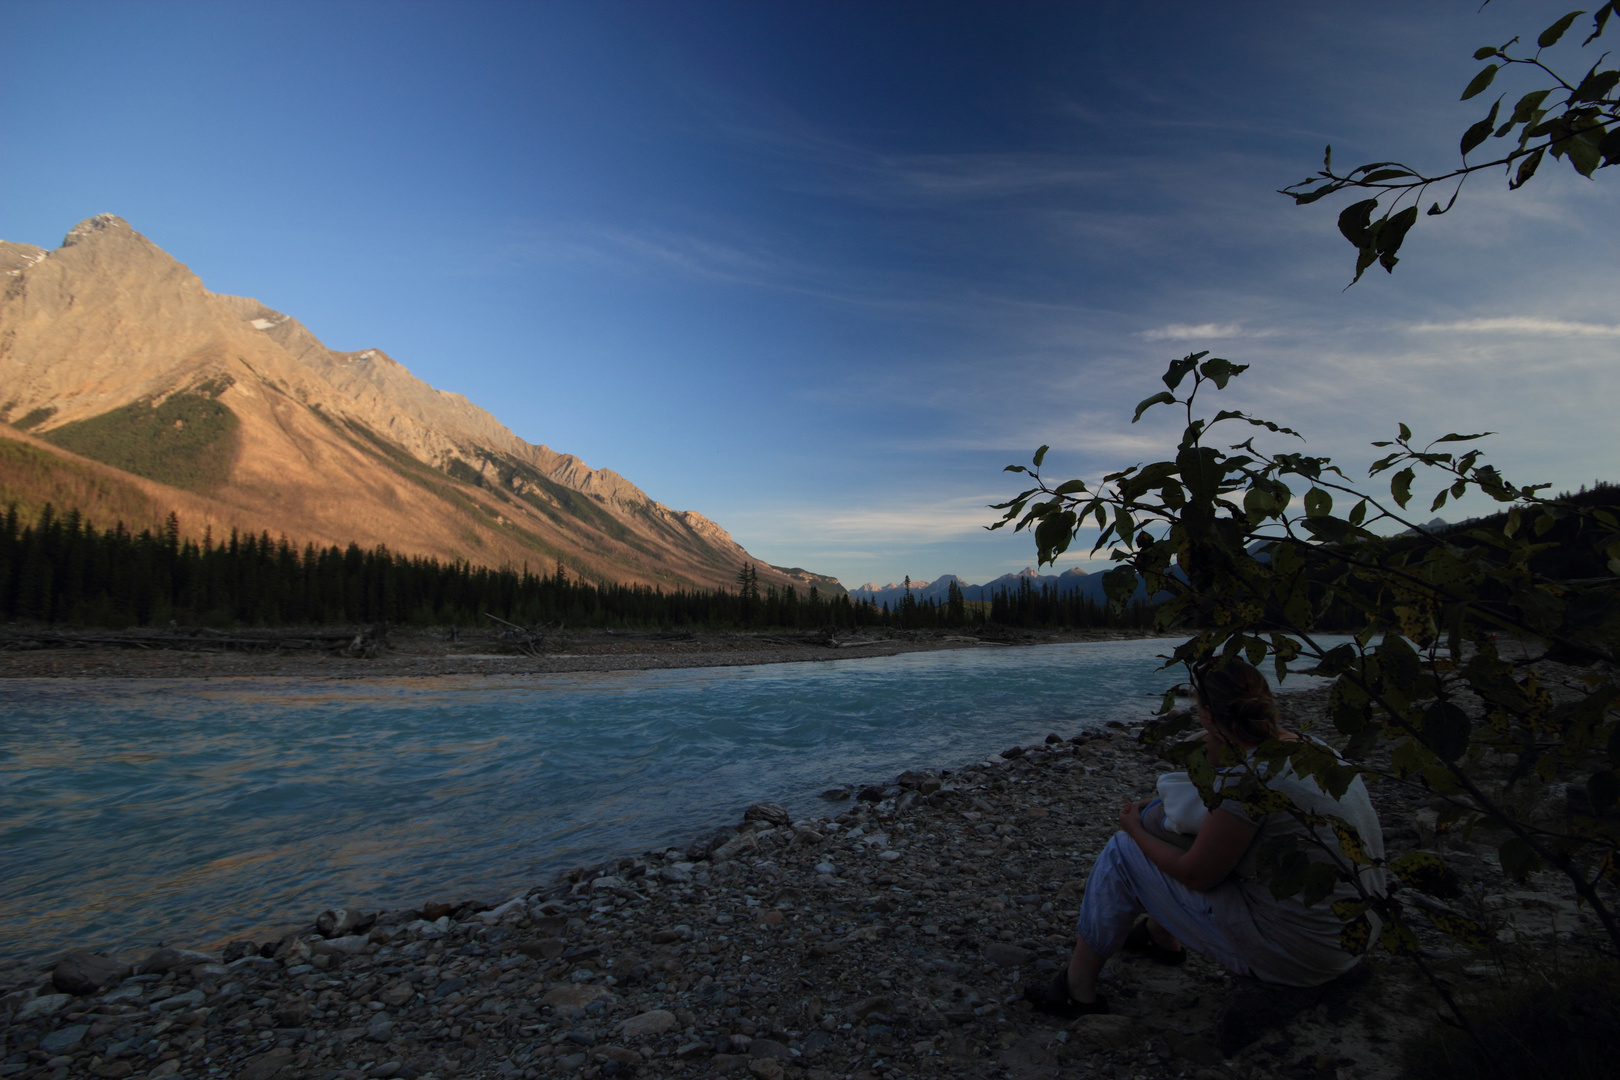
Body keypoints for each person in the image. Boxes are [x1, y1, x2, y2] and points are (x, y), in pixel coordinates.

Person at [1025, 658, 1386, 1016]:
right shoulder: (1313, 747)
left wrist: (1133, 829)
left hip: (1300, 955)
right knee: (1198, 840)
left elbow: (1197, 874)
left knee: (1122, 852)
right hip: (1351, 935)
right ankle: (1159, 934)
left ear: (1209, 715)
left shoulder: (1250, 779)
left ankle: (1075, 990)